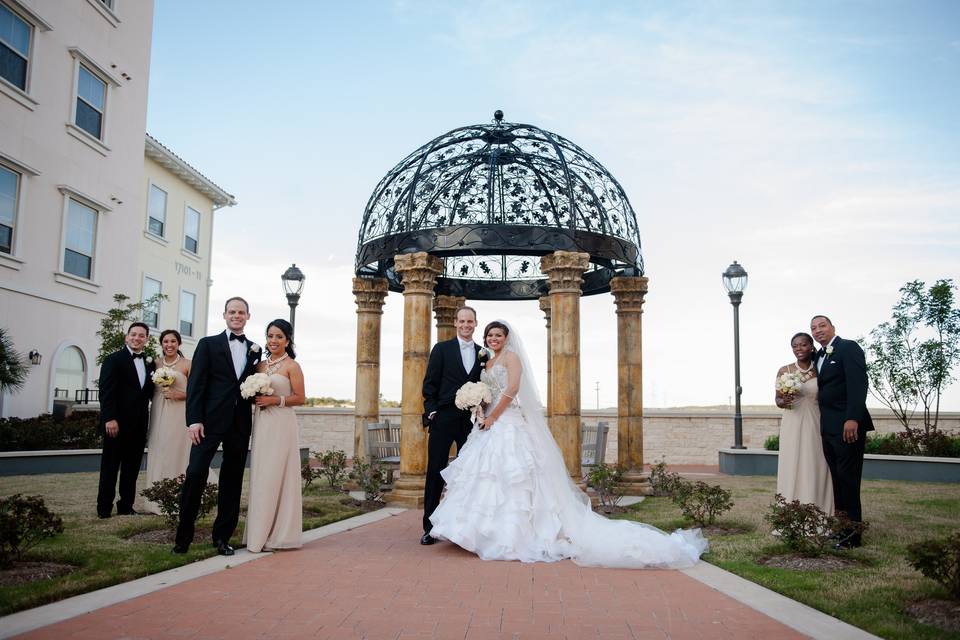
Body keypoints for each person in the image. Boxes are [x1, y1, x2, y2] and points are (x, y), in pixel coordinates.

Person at [428, 320, 707, 568]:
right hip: (486, 425)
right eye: (490, 336)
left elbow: (512, 390)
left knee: (515, 477)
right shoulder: (486, 360)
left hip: (507, 423)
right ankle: (476, 532)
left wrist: (493, 418)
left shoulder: (512, 358)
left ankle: (514, 534)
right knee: (485, 478)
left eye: (498, 335)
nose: (493, 340)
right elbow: (487, 391)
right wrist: (480, 408)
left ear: (506, 337)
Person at [173, 297, 261, 556]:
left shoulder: (255, 350)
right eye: (232, 312)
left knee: (232, 480)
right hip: (208, 422)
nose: (236, 315)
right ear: (224, 315)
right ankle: (183, 538)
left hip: (239, 423)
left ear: (247, 316)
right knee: (196, 474)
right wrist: (194, 420)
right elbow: (196, 385)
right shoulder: (208, 344)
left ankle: (222, 537)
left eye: (241, 312)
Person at [419, 306, 483, 546]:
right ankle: (429, 527)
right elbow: (430, 383)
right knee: (436, 471)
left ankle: (464, 528)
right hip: (444, 418)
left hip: (471, 422)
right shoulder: (442, 349)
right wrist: (432, 412)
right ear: (455, 323)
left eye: (470, 321)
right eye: (462, 321)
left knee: (470, 474)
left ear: (476, 324)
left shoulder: (482, 353)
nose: (466, 325)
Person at [811, 315, 874, 549]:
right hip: (828, 429)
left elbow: (859, 384)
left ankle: (853, 536)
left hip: (848, 428)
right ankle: (842, 529)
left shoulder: (848, 348)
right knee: (837, 481)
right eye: (814, 328)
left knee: (848, 480)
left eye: (822, 326)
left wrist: (852, 418)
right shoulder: (818, 356)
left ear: (832, 327)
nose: (818, 331)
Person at [244, 319, 304, 553]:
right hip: (262, 424)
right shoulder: (258, 366)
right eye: (270, 336)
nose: (274, 340)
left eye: (279, 336)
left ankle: (280, 532)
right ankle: (258, 532)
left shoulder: (292, 366)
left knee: (278, 473)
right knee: (262, 474)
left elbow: (300, 398)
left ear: (287, 341)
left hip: (281, 424)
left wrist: (275, 400)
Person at [142, 330, 217, 515]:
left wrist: (178, 394)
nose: (169, 344)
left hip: (181, 413)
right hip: (160, 410)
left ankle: (184, 495)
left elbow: (199, 391)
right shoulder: (154, 363)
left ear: (179, 343)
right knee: (160, 448)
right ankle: (159, 497)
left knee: (178, 449)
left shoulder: (188, 364)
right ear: (161, 343)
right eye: (166, 341)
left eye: (173, 341)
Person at [96, 322, 154, 518]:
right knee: (110, 467)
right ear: (126, 337)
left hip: (138, 425)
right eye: (134, 335)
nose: (137, 338)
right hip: (116, 424)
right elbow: (106, 392)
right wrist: (109, 418)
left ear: (146, 339)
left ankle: (126, 506)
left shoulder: (149, 362)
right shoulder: (113, 359)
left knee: (131, 469)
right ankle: (104, 508)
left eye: (141, 335)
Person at [774, 332, 833, 513]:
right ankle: (791, 509)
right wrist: (786, 399)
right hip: (793, 421)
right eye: (795, 346)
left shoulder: (820, 369)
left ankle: (818, 507)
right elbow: (778, 400)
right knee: (792, 462)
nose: (799, 349)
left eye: (803, 345)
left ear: (811, 346)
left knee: (816, 462)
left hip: (816, 421)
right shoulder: (785, 371)